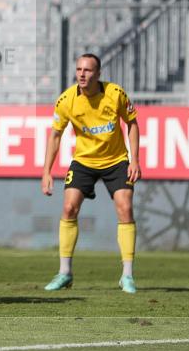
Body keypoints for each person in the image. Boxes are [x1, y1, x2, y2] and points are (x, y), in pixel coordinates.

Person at [41, 53, 141, 294]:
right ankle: (65, 273)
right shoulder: (66, 100)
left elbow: (132, 123)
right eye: (79, 69)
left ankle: (127, 276)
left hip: (116, 161)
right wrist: (46, 171)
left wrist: (134, 159)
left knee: (125, 208)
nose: (82, 74)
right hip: (84, 161)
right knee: (69, 208)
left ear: (98, 74)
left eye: (87, 70)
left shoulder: (115, 94)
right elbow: (55, 136)